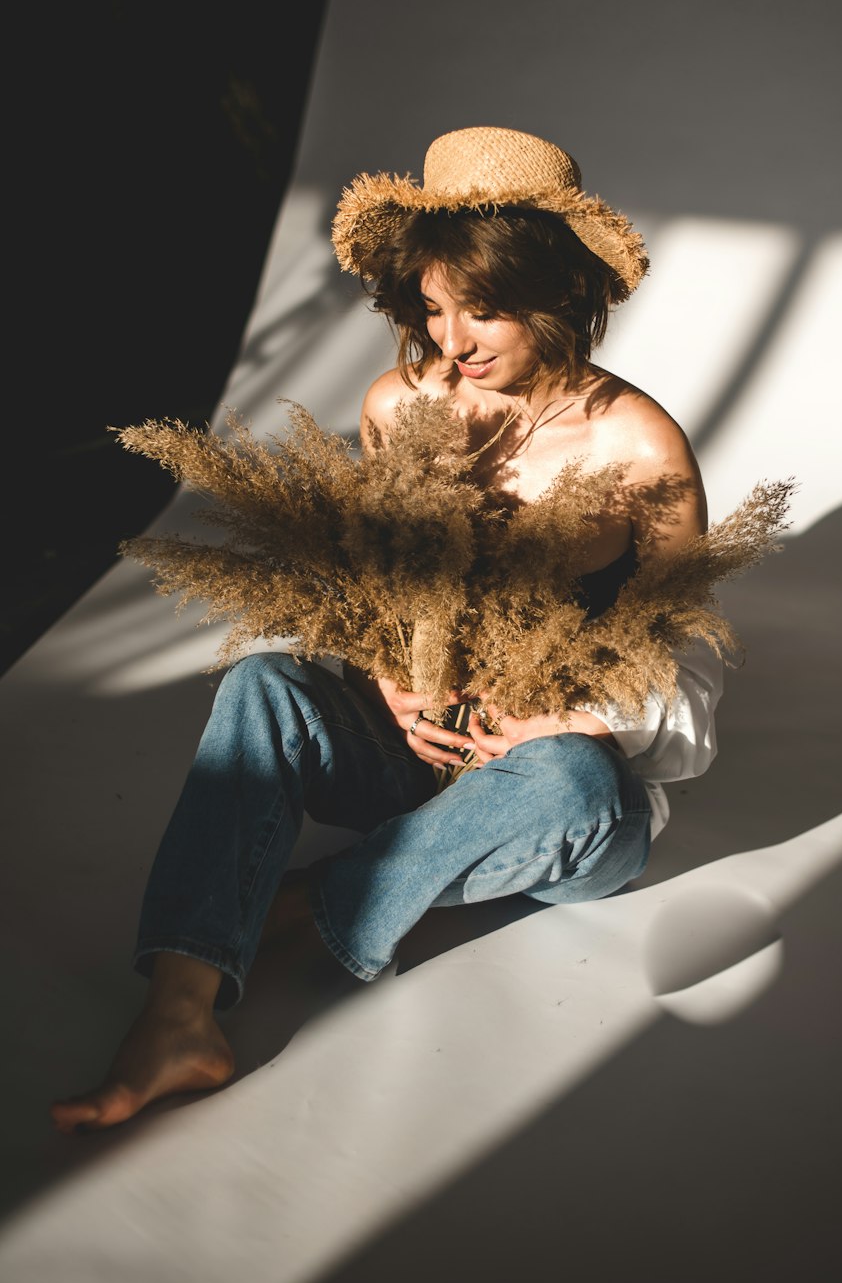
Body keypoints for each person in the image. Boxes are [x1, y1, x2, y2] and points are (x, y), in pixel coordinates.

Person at [51, 125, 722, 1133]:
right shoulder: (399, 405)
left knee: (572, 782)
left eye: (484, 312)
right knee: (263, 687)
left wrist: (572, 723)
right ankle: (178, 1014)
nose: (451, 342)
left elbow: (691, 655)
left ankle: (297, 906)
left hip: (555, 800)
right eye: (433, 308)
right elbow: (383, 593)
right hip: (421, 751)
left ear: (557, 294)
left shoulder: (638, 442)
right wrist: (385, 673)